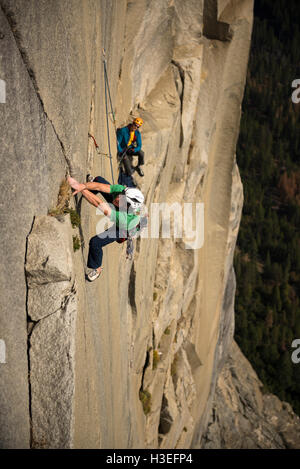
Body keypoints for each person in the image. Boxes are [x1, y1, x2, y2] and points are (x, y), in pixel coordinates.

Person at [68, 175, 144, 282]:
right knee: (98, 180)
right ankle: (90, 191)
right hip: (122, 211)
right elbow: (99, 186)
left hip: (123, 228)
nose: (118, 198)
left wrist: (80, 189)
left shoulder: (126, 219)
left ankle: (97, 268)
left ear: (128, 207)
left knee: (95, 242)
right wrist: (83, 186)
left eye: (121, 200)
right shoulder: (122, 191)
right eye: (120, 196)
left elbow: (99, 204)